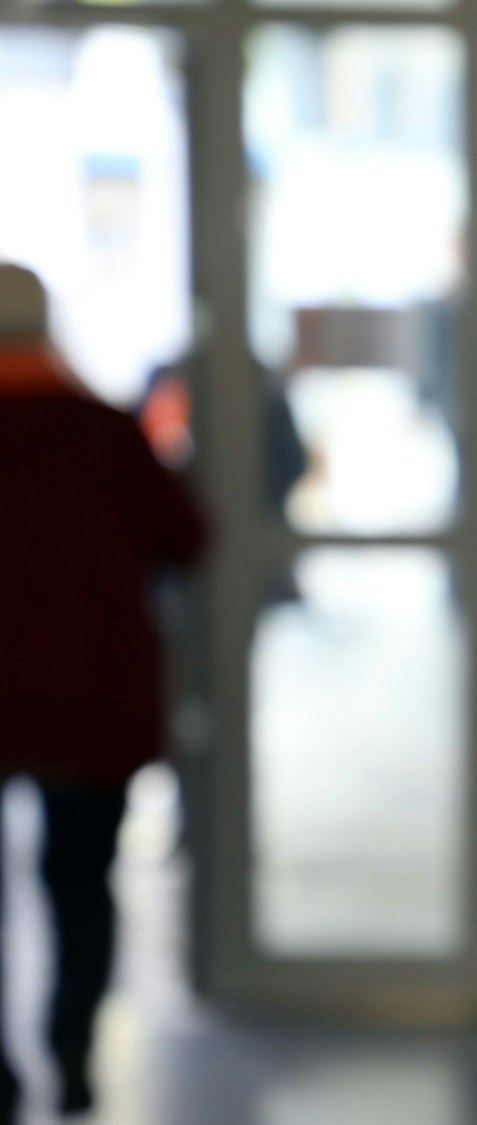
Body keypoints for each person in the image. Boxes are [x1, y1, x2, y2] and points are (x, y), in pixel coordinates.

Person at [0, 263, 208, 1122]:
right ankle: (73, 1054)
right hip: (89, 704)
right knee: (81, 885)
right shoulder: (101, 430)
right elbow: (187, 536)